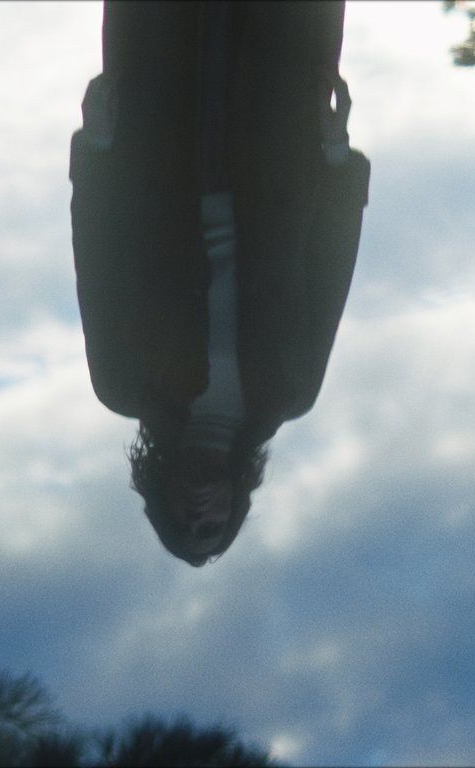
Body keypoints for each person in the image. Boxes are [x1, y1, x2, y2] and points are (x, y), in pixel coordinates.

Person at [70, 2, 369, 565]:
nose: (198, 514)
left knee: (166, 27)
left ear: (160, 502)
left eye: (182, 523)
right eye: (211, 527)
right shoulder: (290, 393)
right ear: (236, 506)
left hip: (163, 160)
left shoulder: (125, 385)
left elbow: (97, 262)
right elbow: (331, 268)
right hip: (278, 160)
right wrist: (336, 155)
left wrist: (97, 149)